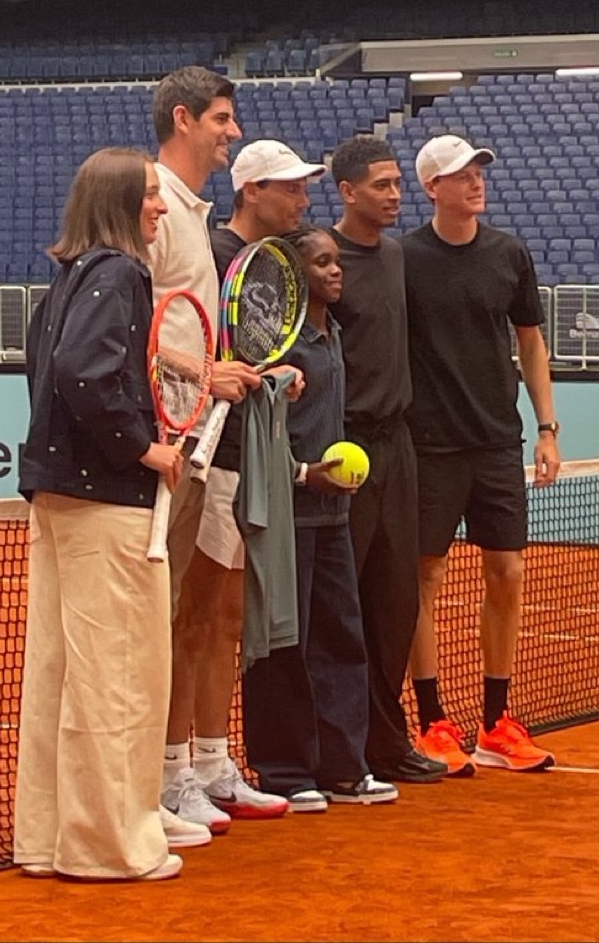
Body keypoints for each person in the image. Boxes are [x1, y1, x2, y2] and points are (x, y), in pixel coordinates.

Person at [14, 147, 184, 882]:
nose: (161, 206)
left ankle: (49, 837)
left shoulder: (68, 278)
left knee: (61, 674)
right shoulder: (117, 273)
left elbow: (48, 369)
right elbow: (83, 373)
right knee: (118, 673)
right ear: (117, 203)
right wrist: (142, 448)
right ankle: (110, 845)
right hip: (107, 502)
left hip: (60, 496)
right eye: (148, 194)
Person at [146, 66, 286, 835]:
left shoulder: (190, 211)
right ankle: (163, 776)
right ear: (183, 118)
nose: (232, 132)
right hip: (164, 441)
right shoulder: (157, 206)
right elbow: (136, 327)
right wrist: (205, 373)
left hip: (198, 435)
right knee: (171, 614)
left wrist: (230, 373)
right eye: (221, 119)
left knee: (204, 613)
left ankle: (201, 763)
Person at [401, 134, 560, 777]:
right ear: (431, 188)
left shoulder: (509, 254)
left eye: (478, 172)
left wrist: (547, 428)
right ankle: (432, 722)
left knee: (508, 572)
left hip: (498, 442)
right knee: (424, 578)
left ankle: (496, 725)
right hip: (429, 446)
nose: (475, 181)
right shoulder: (402, 259)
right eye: (460, 174)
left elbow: (531, 342)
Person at [242, 225, 399, 812]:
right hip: (289, 516)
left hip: (334, 515)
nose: (336, 271)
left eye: (338, 262)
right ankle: (285, 771)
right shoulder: (276, 347)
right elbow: (260, 431)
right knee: (286, 644)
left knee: (340, 640)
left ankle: (344, 766)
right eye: (322, 263)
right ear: (292, 276)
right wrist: (304, 474)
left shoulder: (333, 333)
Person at [327, 135, 446, 784]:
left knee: (395, 602)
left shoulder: (397, 256)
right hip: (343, 451)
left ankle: (385, 741)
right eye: (382, 185)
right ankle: (339, 749)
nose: (396, 194)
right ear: (347, 192)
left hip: (398, 449)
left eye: (398, 183)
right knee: (342, 606)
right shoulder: (320, 258)